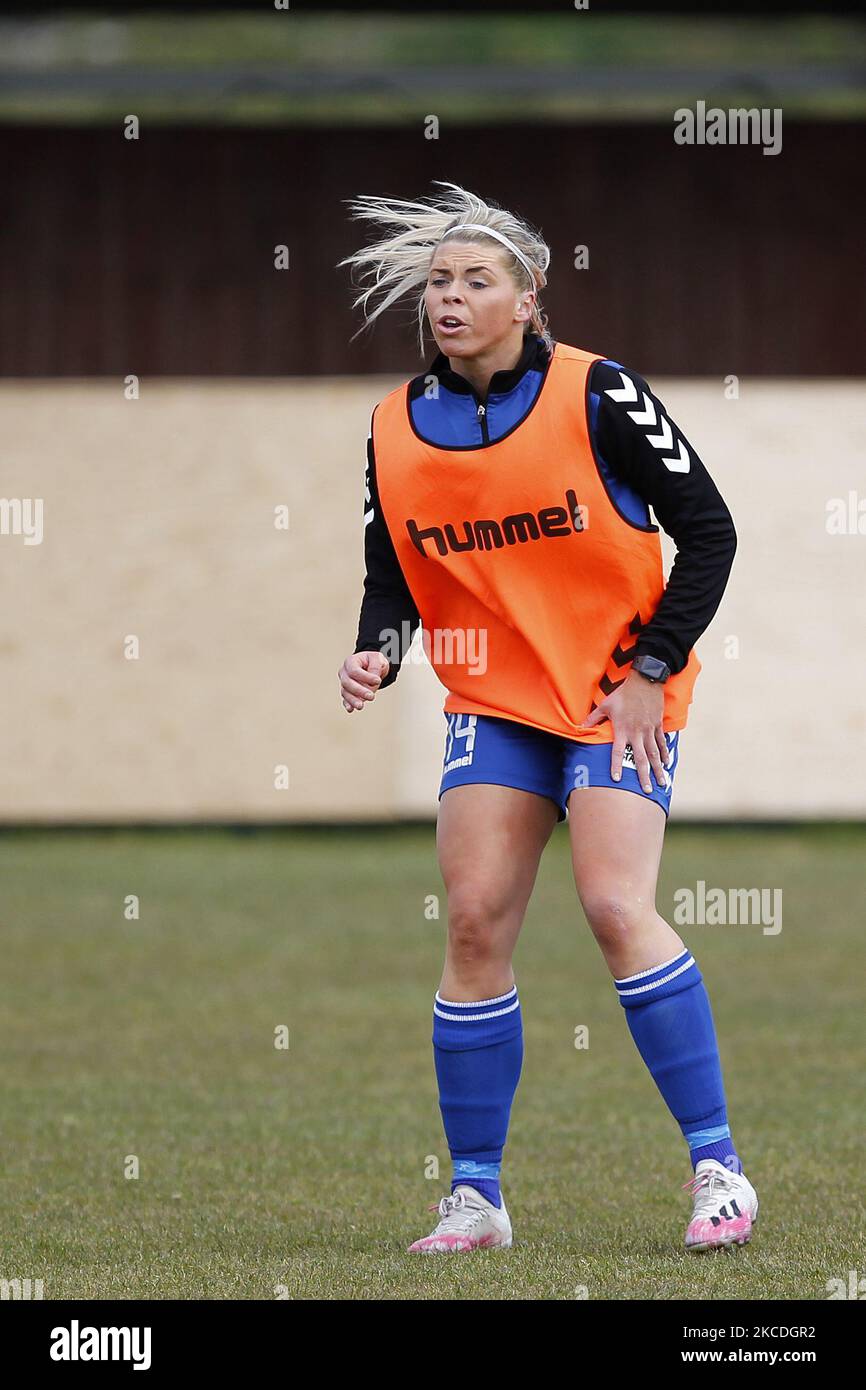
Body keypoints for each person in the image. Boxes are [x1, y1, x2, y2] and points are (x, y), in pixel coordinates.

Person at [337, 181, 757, 1255]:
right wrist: (375, 655)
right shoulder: (392, 426)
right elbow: (390, 580)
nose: (450, 297)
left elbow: (708, 532)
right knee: (474, 920)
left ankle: (716, 1168)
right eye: (438, 281)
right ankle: (473, 1197)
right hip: (494, 701)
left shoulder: (599, 394)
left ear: (527, 298)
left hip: (614, 691)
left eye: (477, 281)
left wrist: (652, 668)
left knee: (616, 906)